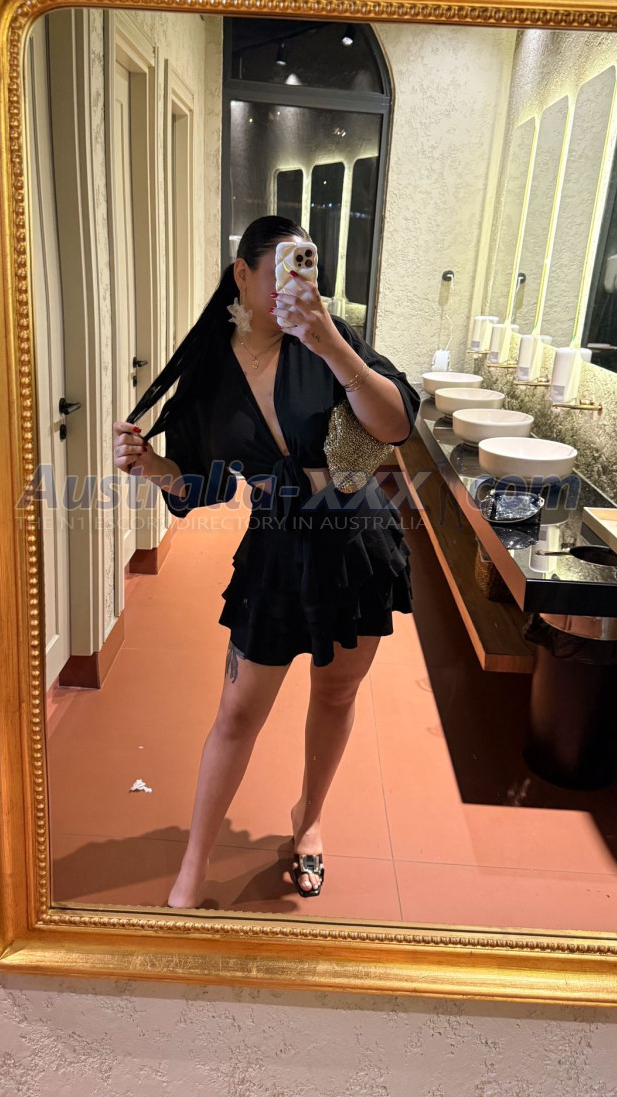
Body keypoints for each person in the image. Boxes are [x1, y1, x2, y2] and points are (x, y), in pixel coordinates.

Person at [113, 216, 421, 908]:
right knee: (237, 711)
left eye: (305, 264)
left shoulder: (328, 340)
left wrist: (330, 341)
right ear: (243, 274)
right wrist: (153, 466)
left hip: (357, 541)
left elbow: (396, 424)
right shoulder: (210, 370)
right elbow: (201, 484)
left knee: (336, 694)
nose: (294, 281)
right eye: (281, 265)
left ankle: (308, 820)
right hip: (277, 550)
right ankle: (193, 864)